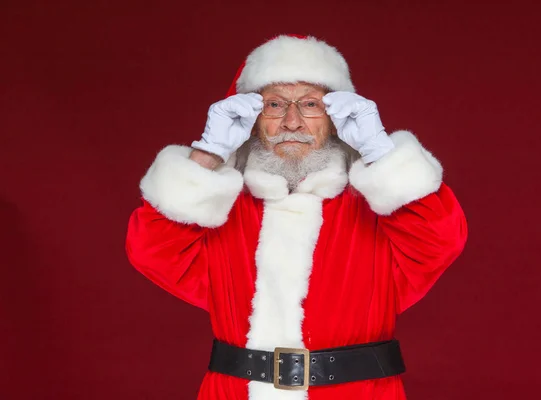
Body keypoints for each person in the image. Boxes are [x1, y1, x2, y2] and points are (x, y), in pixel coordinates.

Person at [126, 34, 468, 400]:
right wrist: (208, 155)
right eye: (274, 104)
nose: (292, 122)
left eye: (310, 104)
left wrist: (380, 152)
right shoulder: (225, 211)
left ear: (336, 118)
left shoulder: (375, 208)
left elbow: (440, 239)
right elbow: (151, 249)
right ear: (251, 118)